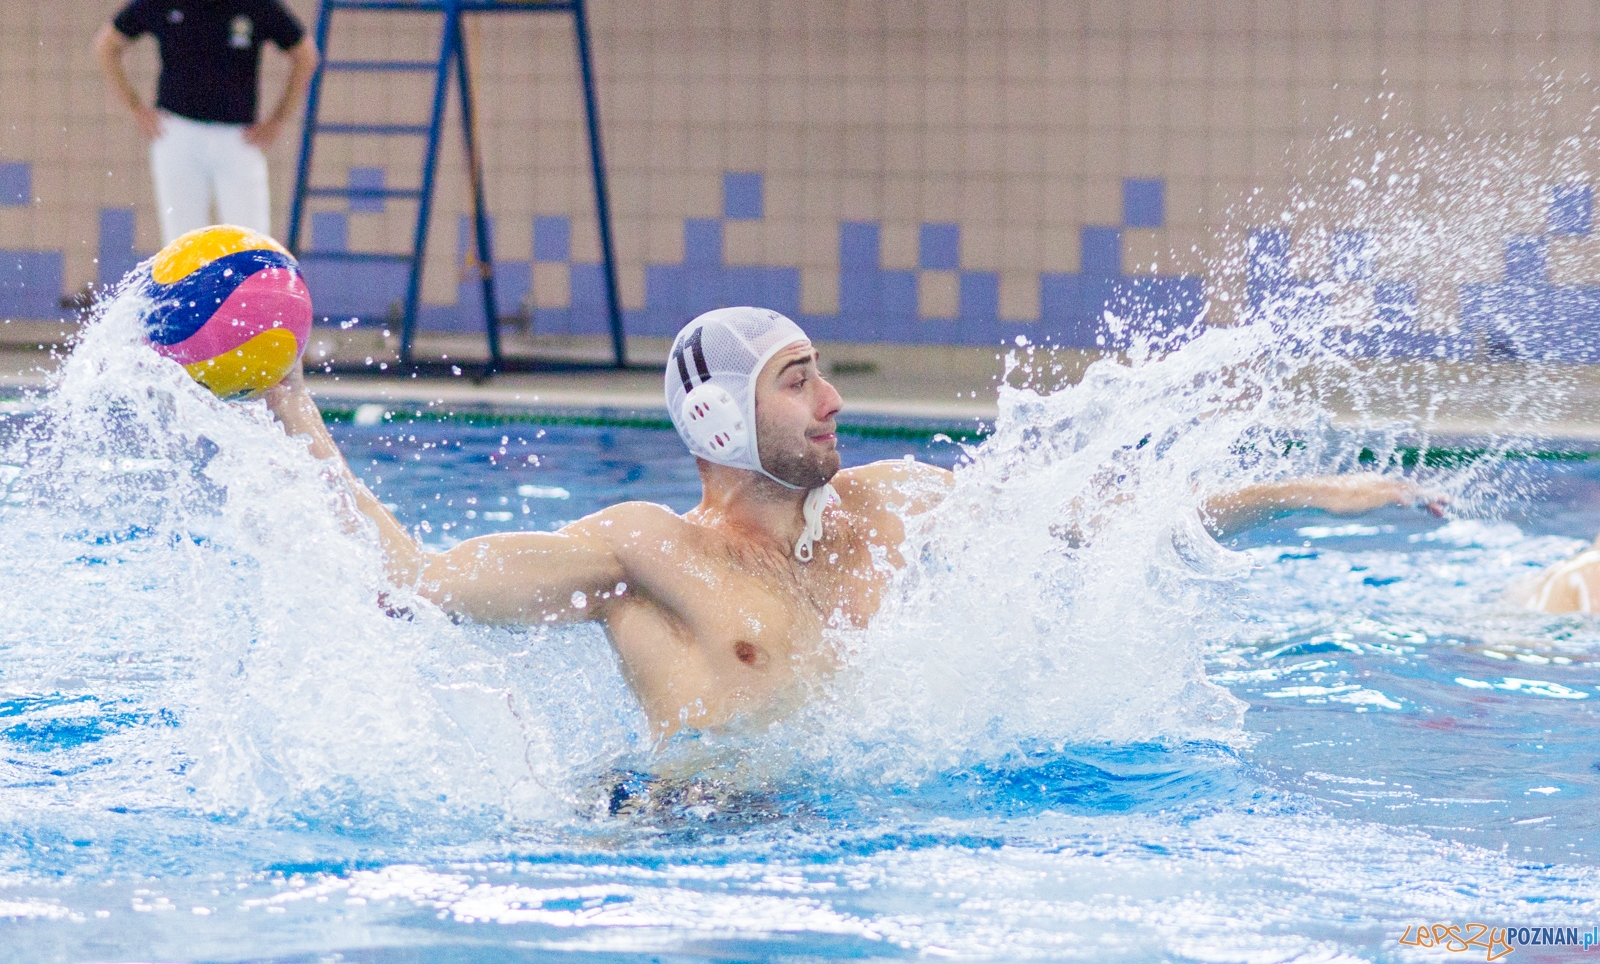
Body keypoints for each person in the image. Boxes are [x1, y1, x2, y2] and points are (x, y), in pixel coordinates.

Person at [264, 307, 1440, 738]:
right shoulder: (642, 552)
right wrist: (286, 403)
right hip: (687, 850)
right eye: (796, 378)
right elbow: (403, 572)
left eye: (821, 373)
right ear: (720, 414)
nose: (832, 401)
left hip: (860, 833)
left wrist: (1314, 495)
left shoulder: (888, 504)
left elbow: (1111, 519)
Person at [94, 0, 318, 245]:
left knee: (251, 243)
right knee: (183, 245)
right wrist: (136, 107)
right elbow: (106, 47)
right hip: (178, 134)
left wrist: (278, 119)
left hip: (238, 137)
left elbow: (306, 55)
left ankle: (251, 298)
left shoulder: (255, 3)